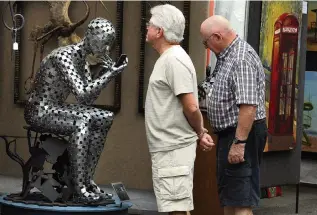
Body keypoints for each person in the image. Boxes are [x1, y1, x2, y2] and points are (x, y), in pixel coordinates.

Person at [24, 17, 128, 203]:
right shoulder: (63, 56)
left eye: (108, 45)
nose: (105, 50)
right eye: (104, 43)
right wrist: (111, 74)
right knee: (83, 121)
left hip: (56, 108)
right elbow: (82, 95)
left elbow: (89, 99)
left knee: (105, 117)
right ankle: (79, 187)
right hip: (39, 111)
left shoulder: (82, 61)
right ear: (91, 37)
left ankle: (87, 181)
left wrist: (106, 73)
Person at [144, 4, 214, 215]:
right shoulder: (170, 58)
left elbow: (191, 107)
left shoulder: (174, 59)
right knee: (175, 208)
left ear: (160, 31)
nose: (147, 27)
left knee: (177, 210)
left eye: (150, 24)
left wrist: (201, 132)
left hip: (173, 148)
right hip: (167, 148)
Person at [198, 15, 267, 215]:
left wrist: (239, 144)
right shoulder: (227, 55)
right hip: (232, 134)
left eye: (206, 41)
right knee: (230, 197)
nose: (206, 46)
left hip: (241, 134)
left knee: (240, 200)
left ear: (217, 37)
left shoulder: (240, 58)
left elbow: (248, 106)